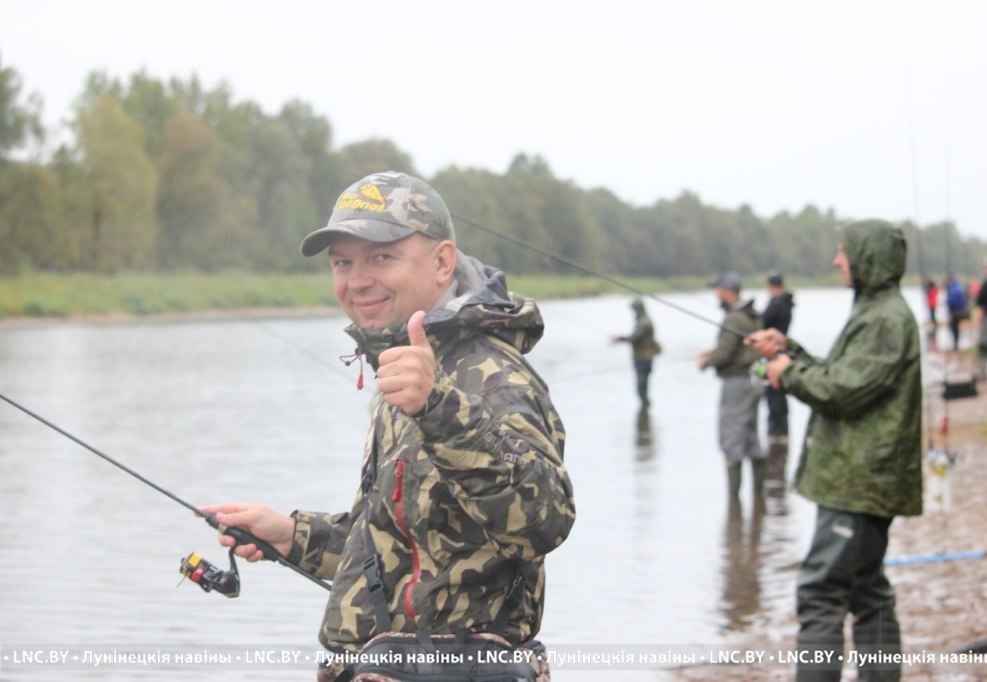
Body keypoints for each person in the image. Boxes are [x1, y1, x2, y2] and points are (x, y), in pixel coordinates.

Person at [203, 171, 575, 681]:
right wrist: (293, 537)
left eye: (381, 258)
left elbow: (545, 520)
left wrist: (438, 407)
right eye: (343, 263)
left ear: (442, 262)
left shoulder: (490, 375)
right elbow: (402, 545)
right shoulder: (407, 365)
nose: (357, 281)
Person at [747, 219, 922, 681]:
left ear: (867, 257)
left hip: (859, 480)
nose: (837, 260)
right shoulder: (876, 312)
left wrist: (787, 373)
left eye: (844, 251)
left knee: (821, 590)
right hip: (862, 478)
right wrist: (790, 350)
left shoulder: (885, 318)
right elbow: (847, 375)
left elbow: (842, 391)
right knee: (867, 590)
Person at [697, 272, 766, 498]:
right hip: (755, 381)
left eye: (718, 289)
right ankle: (758, 499)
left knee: (731, 437)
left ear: (727, 291)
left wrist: (706, 362)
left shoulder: (734, 318)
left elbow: (725, 353)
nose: (716, 294)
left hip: (737, 383)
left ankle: (733, 502)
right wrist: (712, 352)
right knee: (750, 436)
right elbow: (743, 349)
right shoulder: (753, 315)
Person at [762, 270, 794, 442]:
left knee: (774, 392)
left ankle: (777, 433)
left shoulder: (776, 303)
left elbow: (762, 322)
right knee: (778, 392)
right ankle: (781, 432)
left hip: (773, 353)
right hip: (782, 351)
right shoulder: (787, 301)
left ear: (770, 286)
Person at [611, 297, 660, 408]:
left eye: (634, 309)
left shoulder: (644, 322)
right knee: (642, 388)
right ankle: (645, 411)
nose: (634, 312)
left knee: (641, 388)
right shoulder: (643, 321)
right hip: (641, 358)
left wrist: (619, 338)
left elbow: (634, 338)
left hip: (644, 359)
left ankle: (645, 411)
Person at [944, 274, 968, 352]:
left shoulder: (953, 289)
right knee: (955, 328)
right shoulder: (958, 287)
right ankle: (955, 345)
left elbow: (952, 301)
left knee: (954, 328)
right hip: (959, 310)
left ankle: (955, 345)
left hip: (955, 312)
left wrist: (948, 304)